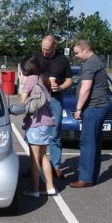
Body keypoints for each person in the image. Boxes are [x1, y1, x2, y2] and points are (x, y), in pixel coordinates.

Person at [69, 40, 110, 188]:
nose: (76, 56)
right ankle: (92, 176)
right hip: (100, 106)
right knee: (94, 142)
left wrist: (78, 109)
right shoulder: (95, 61)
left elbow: (86, 88)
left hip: (94, 107)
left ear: (85, 50)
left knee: (87, 143)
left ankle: (85, 178)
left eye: (77, 53)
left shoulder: (90, 64)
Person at [34, 34, 73, 179]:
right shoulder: (37, 57)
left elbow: (69, 80)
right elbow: (29, 76)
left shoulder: (62, 60)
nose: (44, 53)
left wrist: (61, 88)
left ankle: (56, 167)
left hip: (55, 99)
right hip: (39, 99)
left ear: (54, 47)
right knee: (37, 132)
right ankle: (35, 165)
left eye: (48, 50)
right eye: (43, 49)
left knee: (55, 133)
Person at [20, 56, 56, 197]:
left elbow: (22, 101)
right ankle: (50, 187)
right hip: (47, 121)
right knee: (43, 156)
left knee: (34, 159)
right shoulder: (44, 78)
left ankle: (35, 190)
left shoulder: (31, 79)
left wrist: (24, 88)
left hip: (36, 122)